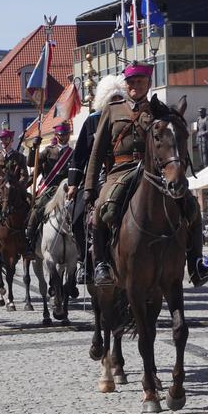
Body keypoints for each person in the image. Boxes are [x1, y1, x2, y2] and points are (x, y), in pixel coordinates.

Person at [83, 62, 208, 287]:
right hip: (120, 171)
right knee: (103, 207)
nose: (136, 86)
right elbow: (97, 152)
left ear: (149, 84)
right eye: (132, 82)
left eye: (140, 82)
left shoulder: (158, 110)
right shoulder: (113, 110)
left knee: (190, 205)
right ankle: (101, 265)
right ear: (126, 85)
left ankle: (196, 263)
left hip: (152, 171)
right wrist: (88, 188)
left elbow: (173, 136)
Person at [67, 74, 127, 284]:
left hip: (126, 171)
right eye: (112, 100)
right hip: (101, 174)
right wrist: (74, 183)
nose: (116, 104)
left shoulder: (131, 117)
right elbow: (81, 154)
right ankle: (86, 260)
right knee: (77, 216)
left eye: (119, 99)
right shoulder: (93, 121)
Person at [24, 122, 73, 258]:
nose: (63, 137)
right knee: (36, 210)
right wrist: (34, 147)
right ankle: (29, 242)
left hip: (66, 189)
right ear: (56, 135)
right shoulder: (48, 151)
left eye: (66, 134)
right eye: (61, 134)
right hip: (50, 190)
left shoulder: (72, 153)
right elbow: (31, 163)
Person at [0, 128, 29, 220]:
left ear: (11, 141)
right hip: (0, 190)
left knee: (29, 206)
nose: (3, 141)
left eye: (5, 139)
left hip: (16, 191)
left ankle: (29, 231)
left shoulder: (19, 157)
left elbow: (24, 176)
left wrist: (17, 187)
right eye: (1, 139)